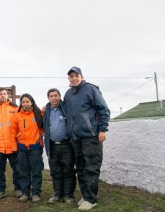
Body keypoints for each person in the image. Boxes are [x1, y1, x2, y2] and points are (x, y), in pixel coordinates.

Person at [64, 66, 110, 210]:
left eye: (76, 75)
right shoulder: (68, 94)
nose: (74, 78)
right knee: (81, 168)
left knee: (91, 167)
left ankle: (91, 199)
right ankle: (85, 195)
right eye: (71, 76)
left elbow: (104, 109)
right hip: (76, 137)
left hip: (91, 136)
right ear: (69, 79)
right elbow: (66, 112)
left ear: (82, 77)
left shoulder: (91, 90)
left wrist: (102, 129)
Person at [0, 88, 22, 199]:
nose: (3, 95)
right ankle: (0, 190)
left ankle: (18, 189)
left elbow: (19, 124)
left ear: (8, 96)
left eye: (5, 94)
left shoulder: (15, 108)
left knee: (17, 168)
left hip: (12, 145)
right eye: (0, 94)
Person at [43, 88, 76, 204]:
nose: (53, 98)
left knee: (68, 171)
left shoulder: (65, 108)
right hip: (52, 146)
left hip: (66, 145)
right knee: (55, 171)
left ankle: (68, 195)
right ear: (48, 98)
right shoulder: (46, 110)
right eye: (51, 96)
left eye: (55, 95)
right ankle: (57, 194)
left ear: (60, 96)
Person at [10, 93, 44, 203]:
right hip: (22, 148)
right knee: (23, 171)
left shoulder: (38, 114)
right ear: (21, 103)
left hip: (35, 148)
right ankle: (25, 193)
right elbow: (12, 132)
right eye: (23, 102)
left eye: (27, 101)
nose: (25, 104)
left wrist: (40, 137)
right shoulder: (17, 115)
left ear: (31, 102)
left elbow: (43, 126)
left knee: (36, 171)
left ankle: (36, 193)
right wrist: (15, 147)